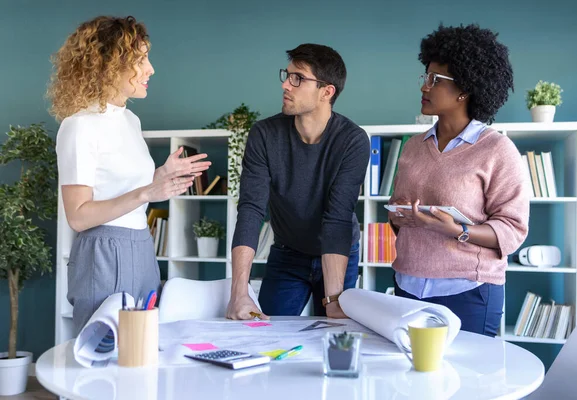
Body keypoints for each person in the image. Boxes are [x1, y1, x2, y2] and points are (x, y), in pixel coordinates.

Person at [49, 16, 211, 333]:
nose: (150, 69)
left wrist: (162, 177)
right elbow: (79, 217)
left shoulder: (130, 121)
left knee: (140, 350)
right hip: (102, 252)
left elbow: (130, 192)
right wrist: (148, 193)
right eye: (140, 60)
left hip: (141, 244)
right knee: (101, 358)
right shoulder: (79, 126)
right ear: (109, 64)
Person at [388, 24, 530, 337]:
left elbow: (513, 230)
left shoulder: (497, 149)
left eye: (435, 80)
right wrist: (401, 216)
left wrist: (458, 231)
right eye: (425, 77)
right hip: (408, 287)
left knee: (472, 384)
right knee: (411, 381)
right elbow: (400, 219)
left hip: (469, 291)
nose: (424, 87)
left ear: (464, 88)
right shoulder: (413, 146)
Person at [226, 44, 370, 320]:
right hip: (287, 253)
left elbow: (337, 218)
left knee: (334, 334)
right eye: (287, 75)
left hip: (339, 252)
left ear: (327, 92)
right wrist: (239, 293)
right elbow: (251, 210)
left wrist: (334, 299)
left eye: (298, 78)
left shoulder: (352, 140)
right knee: (266, 335)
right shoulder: (264, 135)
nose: (285, 85)